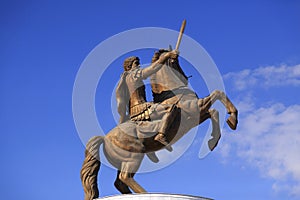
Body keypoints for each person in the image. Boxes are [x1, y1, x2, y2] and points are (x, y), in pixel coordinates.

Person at [116, 50, 179, 151]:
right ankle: (161, 135)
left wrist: (157, 58)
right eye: (136, 63)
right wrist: (167, 56)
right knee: (171, 108)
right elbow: (153, 68)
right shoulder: (133, 75)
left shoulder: (126, 79)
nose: (139, 65)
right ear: (129, 67)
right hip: (141, 108)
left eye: (138, 63)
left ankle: (150, 145)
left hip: (135, 110)